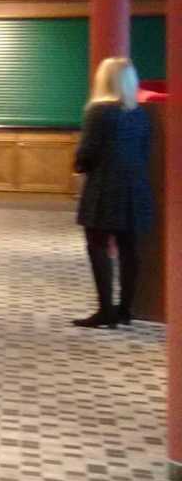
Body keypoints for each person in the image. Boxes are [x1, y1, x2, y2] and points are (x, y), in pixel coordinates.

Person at [71, 56, 153, 328]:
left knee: (97, 245)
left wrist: (79, 166)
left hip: (104, 188)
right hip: (136, 187)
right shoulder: (139, 114)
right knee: (130, 249)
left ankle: (105, 310)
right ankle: (126, 309)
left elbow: (87, 153)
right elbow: (145, 151)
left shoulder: (99, 111)